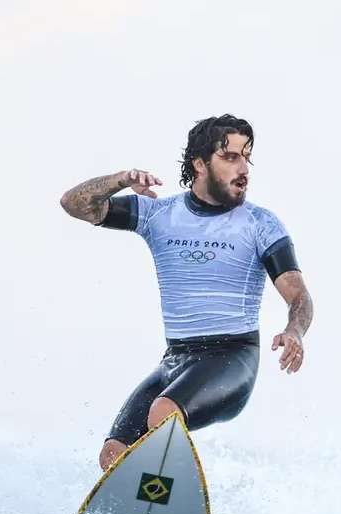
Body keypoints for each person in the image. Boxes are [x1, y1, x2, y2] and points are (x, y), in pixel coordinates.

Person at [59, 114, 314, 470]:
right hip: (176, 360)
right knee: (113, 453)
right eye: (230, 157)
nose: (243, 168)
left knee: (163, 413)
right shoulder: (158, 214)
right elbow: (74, 204)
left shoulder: (261, 224)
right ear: (200, 163)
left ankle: (164, 500)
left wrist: (294, 330)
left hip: (232, 357)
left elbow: (299, 296)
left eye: (247, 157)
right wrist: (121, 179)